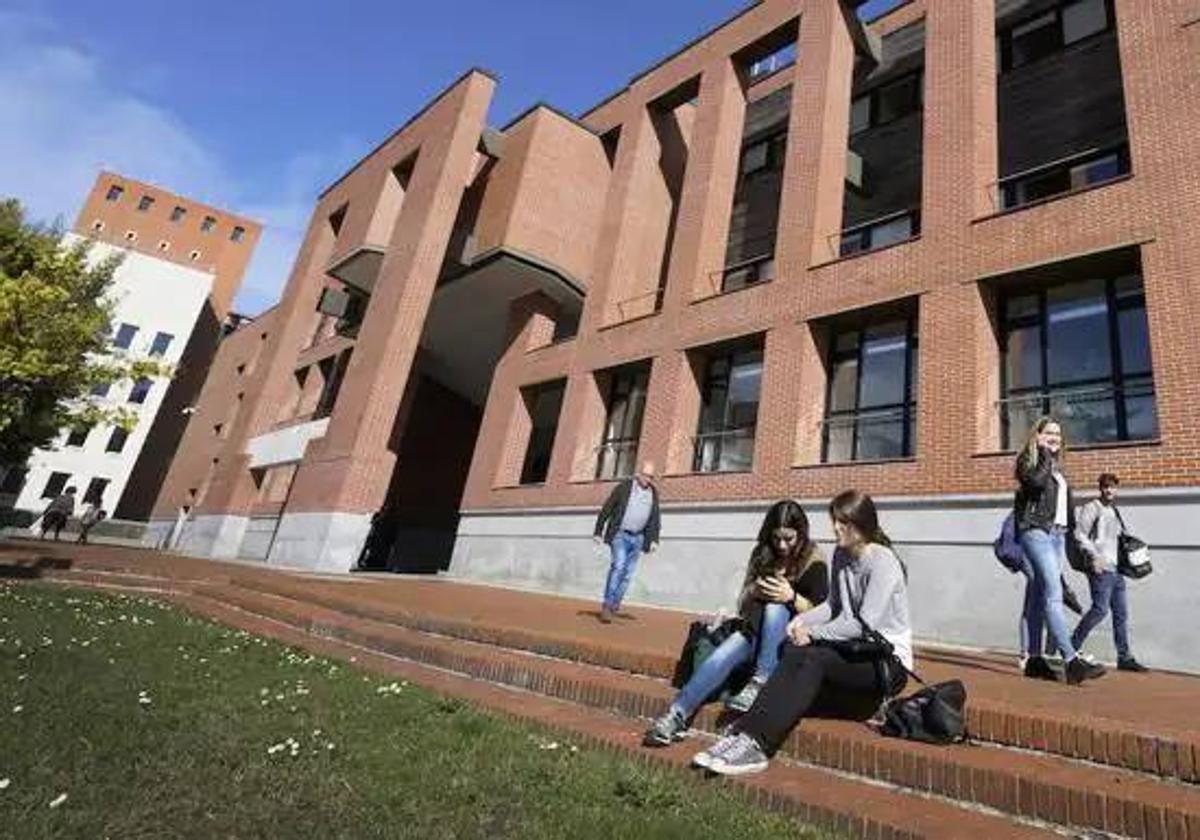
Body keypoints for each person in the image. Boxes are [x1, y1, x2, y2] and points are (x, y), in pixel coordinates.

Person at [694, 490, 912, 776]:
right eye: (835, 520)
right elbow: (834, 605)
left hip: (887, 661)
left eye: (844, 522)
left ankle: (758, 746)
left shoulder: (882, 561)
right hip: (854, 650)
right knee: (795, 649)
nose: (836, 528)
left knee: (814, 657)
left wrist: (814, 632)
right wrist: (801, 621)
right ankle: (742, 735)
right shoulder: (841, 555)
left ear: (863, 524)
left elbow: (863, 624)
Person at [643, 500, 829, 746]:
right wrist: (755, 591)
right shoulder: (762, 554)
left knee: (775, 607)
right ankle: (676, 715)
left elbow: (822, 612)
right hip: (753, 632)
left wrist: (791, 597)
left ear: (801, 533)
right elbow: (742, 603)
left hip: (788, 640)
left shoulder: (814, 559)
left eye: (789, 539)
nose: (782, 545)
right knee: (721, 655)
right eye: (776, 538)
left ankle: (760, 681)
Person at [1013, 417, 1106, 685]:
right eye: (1050, 433)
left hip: (1057, 535)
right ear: (1038, 435)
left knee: (1038, 595)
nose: (1055, 437)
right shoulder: (1028, 460)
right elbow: (1035, 485)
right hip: (1036, 531)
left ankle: (1033, 659)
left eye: (1058, 434)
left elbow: (1066, 509)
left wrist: (1075, 541)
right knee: (1053, 594)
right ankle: (1071, 660)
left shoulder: (1058, 468)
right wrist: (1041, 452)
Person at [1071, 473, 1148, 672]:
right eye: (1105, 486)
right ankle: (1071, 647)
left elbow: (1119, 539)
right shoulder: (1092, 507)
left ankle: (1124, 657)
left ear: (1117, 488)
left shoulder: (1114, 510)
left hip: (1117, 570)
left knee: (1121, 614)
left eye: (1112, 486)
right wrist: (1095, 556)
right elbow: (1079, 534)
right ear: (1100, 488)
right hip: (1101, 568)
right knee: (1100, 610)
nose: (1109, 490)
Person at [593, 462, 661, 623]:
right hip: (620, 535)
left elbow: (655, 517)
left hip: (638, 538)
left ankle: (614, 605)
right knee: (618, 567)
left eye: (651, 477)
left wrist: (654, 539)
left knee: (628, 574)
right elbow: (608, 507)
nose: (648, 479)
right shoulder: (624, 488)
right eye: (645, 475)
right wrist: (598, 531)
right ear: (638, 474)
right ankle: (607, 606)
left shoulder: (653, 492)